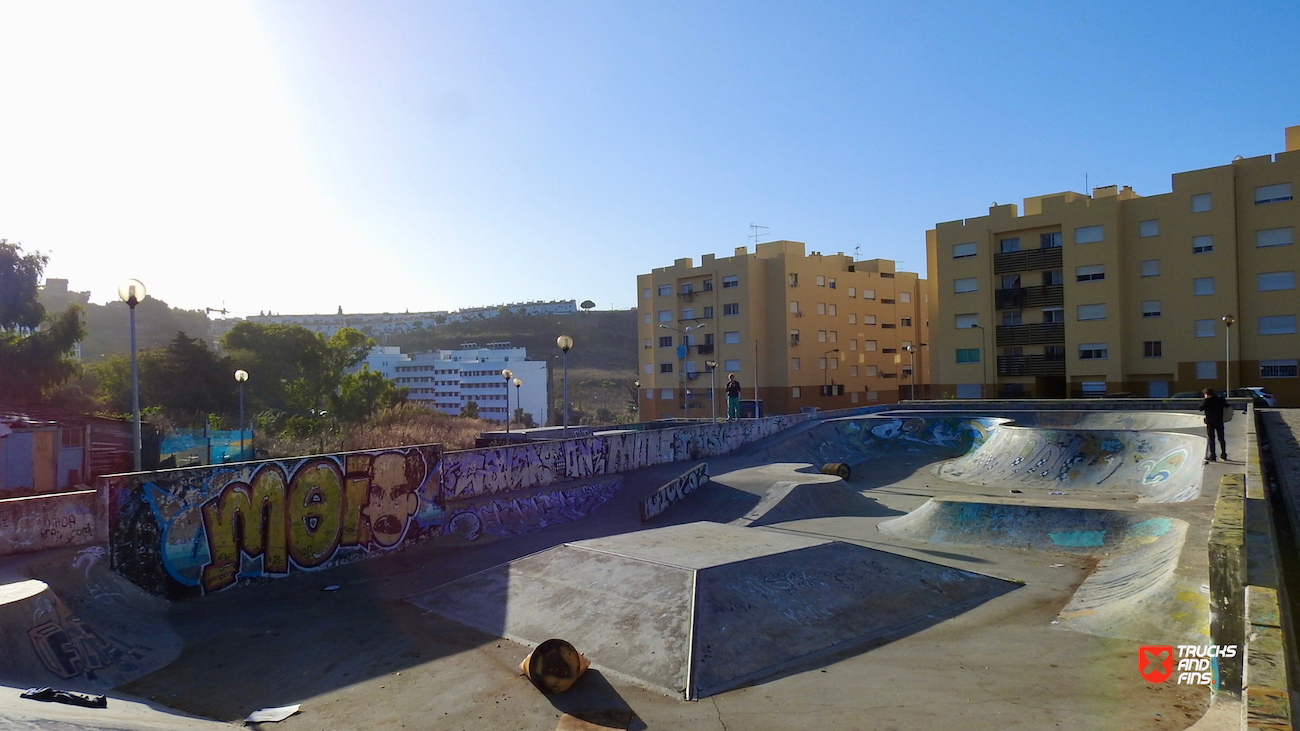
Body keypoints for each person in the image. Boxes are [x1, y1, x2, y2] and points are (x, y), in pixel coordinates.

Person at [1198, 387, 1228, 462]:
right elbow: (1227, 406)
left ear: (1206, 394)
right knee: (1221, 438)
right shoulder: (1220, 399)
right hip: (1219, 421)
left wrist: (1205, 400)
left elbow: (1200, 408)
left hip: (1210, 422)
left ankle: (1213, 456)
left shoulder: (1207, 401)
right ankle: (1223, 454)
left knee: (1211, 438)